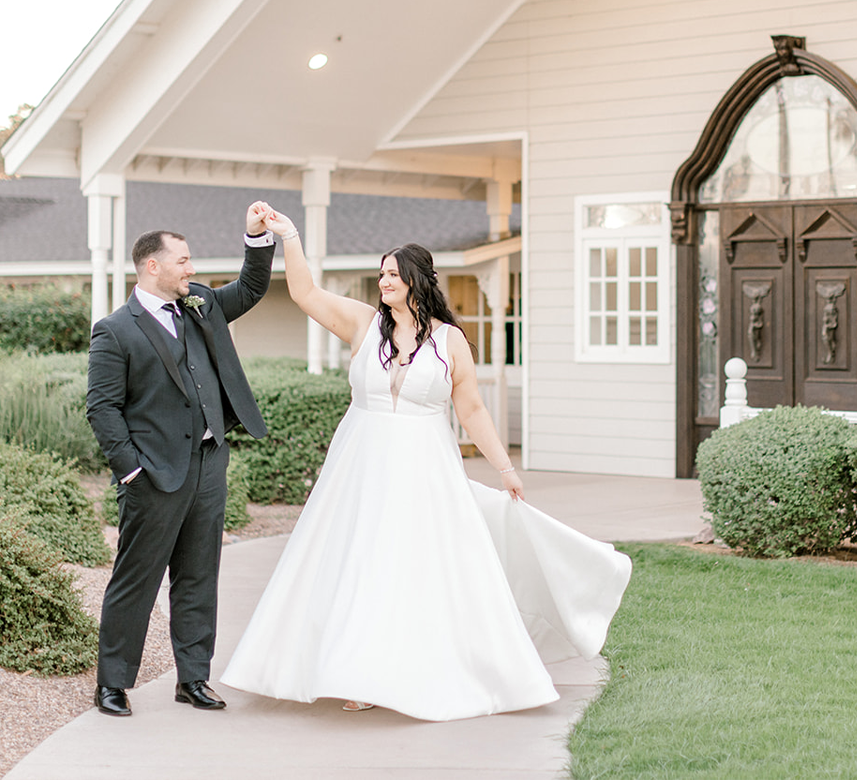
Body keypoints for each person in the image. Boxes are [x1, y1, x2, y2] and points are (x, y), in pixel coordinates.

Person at [220, 208, 631, 721]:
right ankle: (356, 671)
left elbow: (472, 409)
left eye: (393, 274)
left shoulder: (449, 341)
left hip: (423, 470)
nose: (384, 281)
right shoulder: (363, 325)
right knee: (361, 563)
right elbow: (305, 294)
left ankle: (434, 667)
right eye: (382, 274)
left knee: (412, 568)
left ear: (416, 280)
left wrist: (505, 468)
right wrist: (289, 237)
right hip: (361, 469)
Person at [86, 203, 276, 717]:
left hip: (209, 465)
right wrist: (131, 469)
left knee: (198, 577)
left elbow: (252, 288)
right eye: (184, 261)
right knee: (136, 580)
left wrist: (255, 237)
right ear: (153, 266)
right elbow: (101, 408)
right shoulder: (115, 330)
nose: (191, 270)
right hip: (152, 474)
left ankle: (193, 679)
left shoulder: (202, 304)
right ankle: (113, 683)